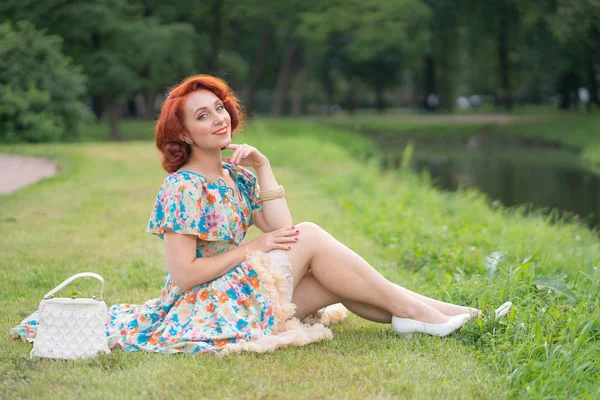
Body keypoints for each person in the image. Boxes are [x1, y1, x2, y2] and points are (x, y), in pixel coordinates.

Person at [11, 74, 512, 355]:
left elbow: (284, 233)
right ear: (182, 134)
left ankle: (451, 316)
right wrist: (250, 248)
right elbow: (183, 276)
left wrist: (266, 169)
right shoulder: (182, 187)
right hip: (201, 305)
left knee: (337, 276)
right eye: (201, 115)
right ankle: (431, 316)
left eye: (219, 107)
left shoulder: (239, 177)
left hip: (241, 293)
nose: (218, 117)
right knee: (316, 238)